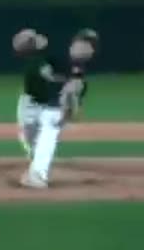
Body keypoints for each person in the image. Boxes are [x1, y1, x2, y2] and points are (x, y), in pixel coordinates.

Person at [14, 28, 99, 188]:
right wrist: (27, 41)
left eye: (91, 47)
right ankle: (37, 162)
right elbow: (23, 44)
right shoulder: (53, 49)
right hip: (30, 101)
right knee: (31, 140)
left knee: (50, 130)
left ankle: (38, 175)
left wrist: (70, 106)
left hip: (52, 105)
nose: (86, 49)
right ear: (75, 43)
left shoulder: (79, 69)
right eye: (84, 44)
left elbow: (75, 90)